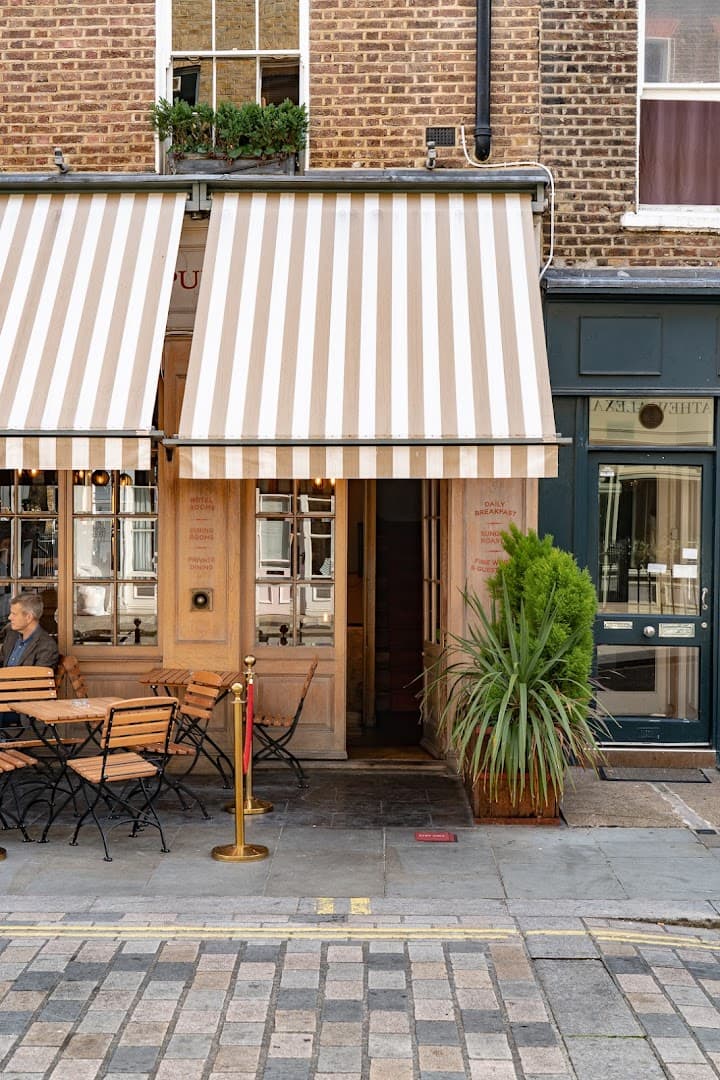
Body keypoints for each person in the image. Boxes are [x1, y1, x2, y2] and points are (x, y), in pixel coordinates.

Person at [2, 593, 59, 669]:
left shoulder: (47, 646)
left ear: (29, 617)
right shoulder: (11, 636)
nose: (9, 617)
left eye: (14, 614)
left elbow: (38, 679)